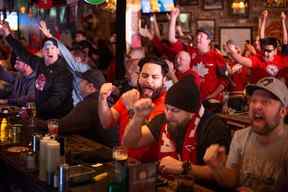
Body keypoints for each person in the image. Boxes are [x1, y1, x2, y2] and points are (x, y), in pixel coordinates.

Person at [123, 76, 231, 174]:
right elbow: (131, 143)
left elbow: (222, 173)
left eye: (175, 110)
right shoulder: (164, 119)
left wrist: (184, 167)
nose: (168, 115)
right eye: (167, 108)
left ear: (192, 112)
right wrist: (138, 118)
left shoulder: (214, 126)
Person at [204, 77, 288, 192]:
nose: (257, 106)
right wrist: (218, 168)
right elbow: (232, 180)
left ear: (282, 111)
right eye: (253, 101)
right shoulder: (240, 137)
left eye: (266, 102)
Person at [98, 56, 168, 162]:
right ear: (138, 76)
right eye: (144, 75)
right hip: (123, 159)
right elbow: (106, 122)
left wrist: (131, 110)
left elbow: (136, 141)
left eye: (155, 77)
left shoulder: (166, 106)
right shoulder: (130, 96)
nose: (148, 81)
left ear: (164, 80)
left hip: (147, 167)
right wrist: (102, 98)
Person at [0, 21, 73, 119]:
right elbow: (22, 52)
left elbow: (56, 100)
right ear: (42, 51)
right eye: (46, 48)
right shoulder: (40, 64)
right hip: (41, 116)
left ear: (58, 51)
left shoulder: (64, 73)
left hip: (58, 119)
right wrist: (7, 34)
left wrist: (33, 110)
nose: (49, 50)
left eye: (52, 48)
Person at [169, 8, 227, 103]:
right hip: (191, 99)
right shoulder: (190, 51)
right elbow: (172, 39)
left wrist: (213, 95)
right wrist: (173, 18)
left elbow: (224, 80)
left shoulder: (216, 56)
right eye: (197, 36)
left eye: (201, 36)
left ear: (209, 40)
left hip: (211, 101)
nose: (198, 38)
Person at [59, 69, 117, 146]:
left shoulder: (90, 104)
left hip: (103, 154)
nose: (79, 83)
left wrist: (39, 123)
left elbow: (62, 126)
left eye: (82, 81)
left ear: (90, 86)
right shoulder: (107, 101)